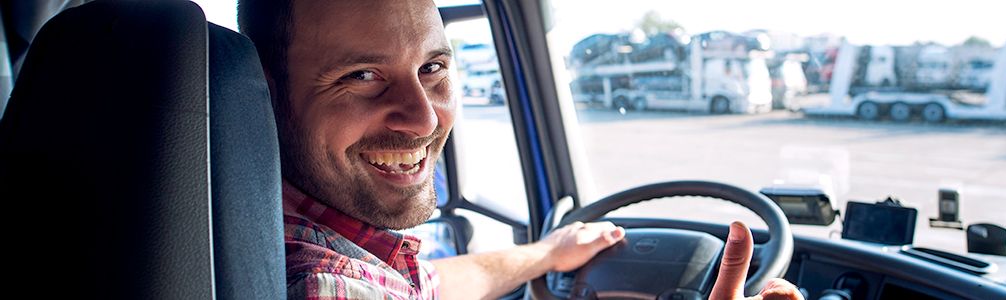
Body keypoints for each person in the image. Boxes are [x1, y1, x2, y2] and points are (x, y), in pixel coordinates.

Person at [237, 1, 804, 299]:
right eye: (362, 75)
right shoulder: (319, 283)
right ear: (261, 91)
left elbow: (426, 286)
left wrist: (548, 254)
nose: (426, 117)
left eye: (432, 68)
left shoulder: (298, 232)